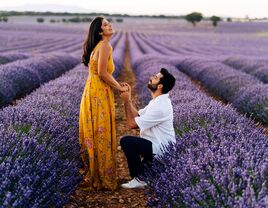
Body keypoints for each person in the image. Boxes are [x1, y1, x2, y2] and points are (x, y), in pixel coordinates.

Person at [79, 16, 128, 191]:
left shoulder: (98, 46)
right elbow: (102, 72)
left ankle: (94, 174)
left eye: (109, 23)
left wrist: (116, 85)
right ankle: (102, 178)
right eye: (106, 25)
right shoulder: (105, 46)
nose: (110, 26)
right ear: (100, 31)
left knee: (94, 132)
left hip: (92, 92)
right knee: (102, 133)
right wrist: (119, 88)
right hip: (99, 94)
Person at [119, 68, 176, 189]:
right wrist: (128, 99)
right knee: (153, 176)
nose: (151, 78)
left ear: (159, 86)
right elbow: (138, 116)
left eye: (155, 77)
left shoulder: (160, 107)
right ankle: (148, 172)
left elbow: (132, 124)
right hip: (155, 146)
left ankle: (139, 179)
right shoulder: (157, 101)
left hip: (160, 151)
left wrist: (125, 102)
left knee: (127, 141)